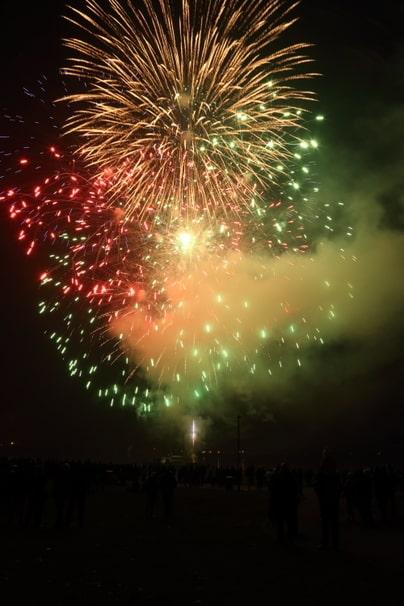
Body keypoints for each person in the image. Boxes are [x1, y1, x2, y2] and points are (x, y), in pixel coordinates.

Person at [314, 451, 341, 550]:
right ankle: (335, 543)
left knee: (326, 523)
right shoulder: (336, 476)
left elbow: (317, 487)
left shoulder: (322, 476)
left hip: (326, 502)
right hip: (333, 501)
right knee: (333, 524)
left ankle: (326, 543)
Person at [268, 463, 299, 544]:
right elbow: (294, 491)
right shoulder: (291, 479)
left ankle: (281, 537)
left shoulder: (278, 478)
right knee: (287, 522)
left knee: (281, 522)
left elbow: (273, 492)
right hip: (288, 503)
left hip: (281, 503)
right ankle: (288, 537)